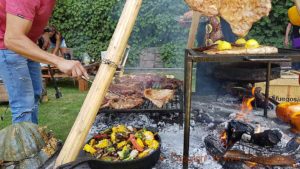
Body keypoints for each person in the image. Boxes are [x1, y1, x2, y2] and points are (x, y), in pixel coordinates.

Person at [0, 0, 89, 124]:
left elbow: (37, 12)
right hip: (9, 46)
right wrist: (59, 61)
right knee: (23, 104)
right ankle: (25, 143)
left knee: (36, 94)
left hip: (29, 43)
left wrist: (44, 32)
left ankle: (34, 137)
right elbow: (12, 39)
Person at [285, 5, 300, 70]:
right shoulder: (294, 12)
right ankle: (295, 69)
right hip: (297, 37)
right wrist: (286, 38)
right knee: (296, 52)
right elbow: (289, 26)